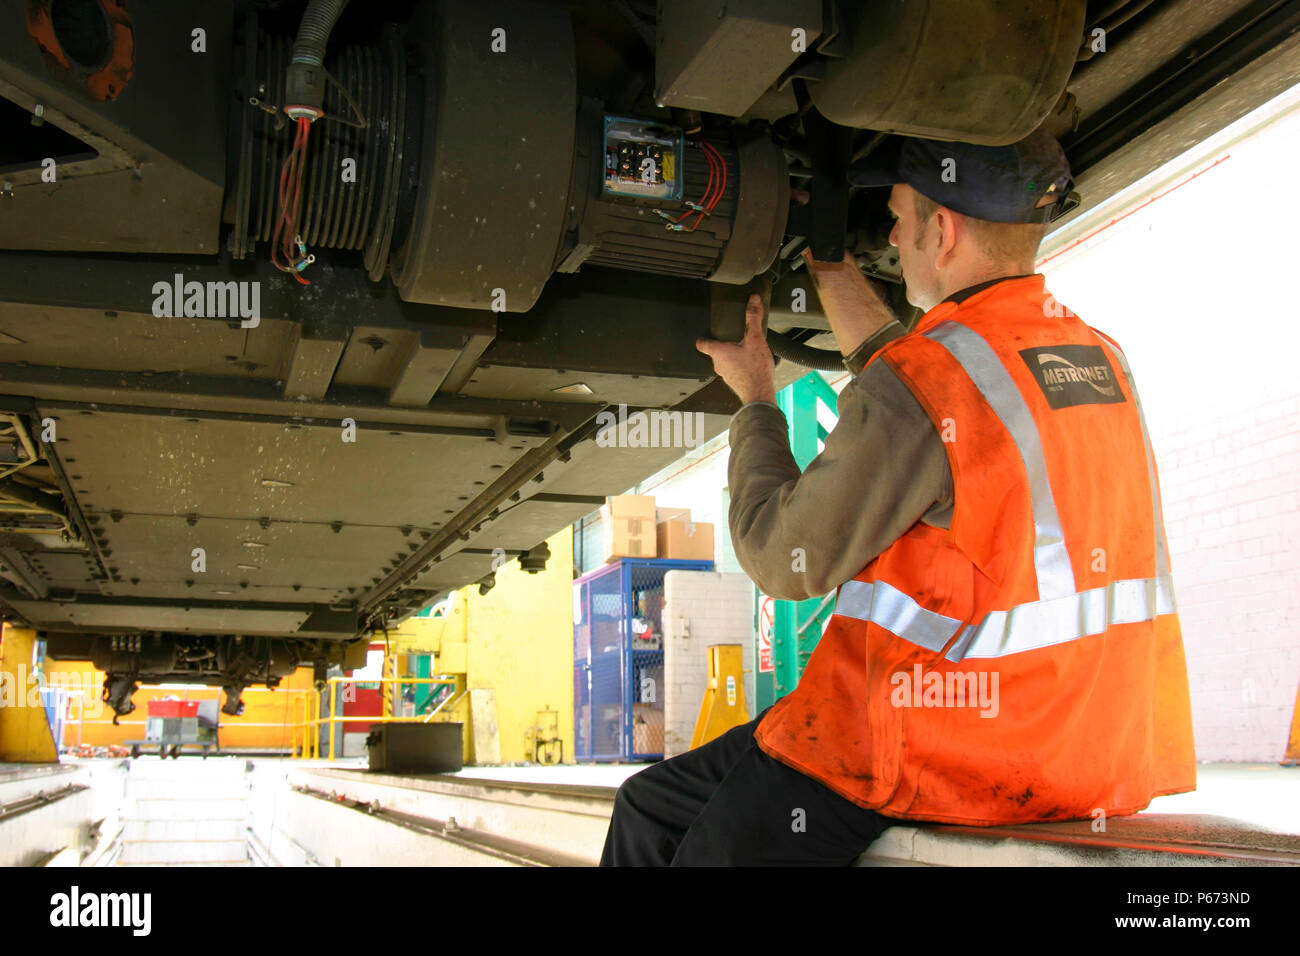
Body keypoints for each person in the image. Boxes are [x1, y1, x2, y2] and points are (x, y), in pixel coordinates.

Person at [598, 128, 1196, 866]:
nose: (891, 230)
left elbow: (782, 560)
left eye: (899, 214)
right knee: (648, 804)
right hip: (1083, 742)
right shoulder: (1096, 357)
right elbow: (932, 406)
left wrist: (756, 399)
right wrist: (826, 263)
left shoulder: (930, 379)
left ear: (940, 232)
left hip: (942, 746)